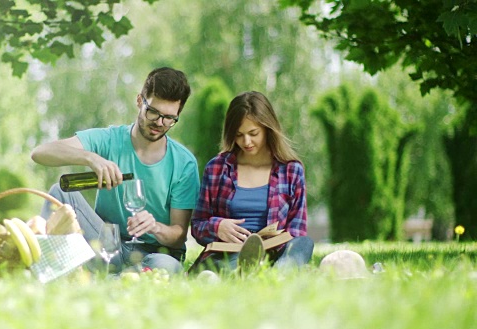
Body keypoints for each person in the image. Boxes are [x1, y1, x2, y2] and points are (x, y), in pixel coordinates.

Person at [31, 67, 200, 274]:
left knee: (168, 266)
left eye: (169, 118)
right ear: (140, 101)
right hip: (106, 245)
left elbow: (179, 235)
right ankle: (49, 268)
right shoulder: (109, 139)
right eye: (153, 112)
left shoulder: (184, 163)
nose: (159, 123)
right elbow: (40, 153)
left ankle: (106, 278)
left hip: (154, 254)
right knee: (60, 191)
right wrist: (90, 158)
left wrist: (154, 226)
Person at [191, 91, 314, 272]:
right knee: (229, 263)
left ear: (267, 128)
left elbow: (297, 229)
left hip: (275, 254)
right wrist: (217, 227)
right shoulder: (217, 168)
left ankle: (275, 273)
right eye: (239, 135)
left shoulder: (291, 170)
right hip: (229, 254)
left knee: (303, 243)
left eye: (253, 133)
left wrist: (269, 247)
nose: (246, 141)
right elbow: (197, 225)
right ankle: (247, 272)